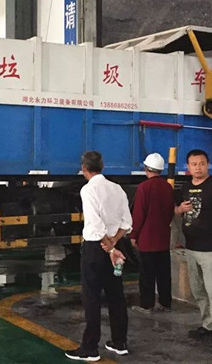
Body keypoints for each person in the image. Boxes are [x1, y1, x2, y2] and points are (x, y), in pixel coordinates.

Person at [65, 151, 131, 362]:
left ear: (84, 168)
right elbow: (126, 222)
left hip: (96, 248)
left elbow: (95, 224)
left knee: (91, 297)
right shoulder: (117, 188)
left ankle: (90, 348)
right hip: (116, 245)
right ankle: (119, 342)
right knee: (116, 294)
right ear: (102, 166)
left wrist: (108, 247)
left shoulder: (88, 190)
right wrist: (114, 242)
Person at [175, 149, 212, 345]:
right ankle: (207, 325)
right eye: (194, 164)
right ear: (188, 167)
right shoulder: (186, 187)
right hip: (191, 248)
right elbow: (177, 211)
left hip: (211, 250)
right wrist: (180, 209)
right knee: (198, 291)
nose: (198, 167)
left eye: (202, 163)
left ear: (207, 165)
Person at [130, 152, 174, 314]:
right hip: (163, 238)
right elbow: (170, 212)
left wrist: (133, 235)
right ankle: (165, 303)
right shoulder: (168, 187)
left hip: (147, 239)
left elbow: (139, 214)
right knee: (163, 273)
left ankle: (147, 305)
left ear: (146, 168)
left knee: (147, 274)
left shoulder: (143, 187)